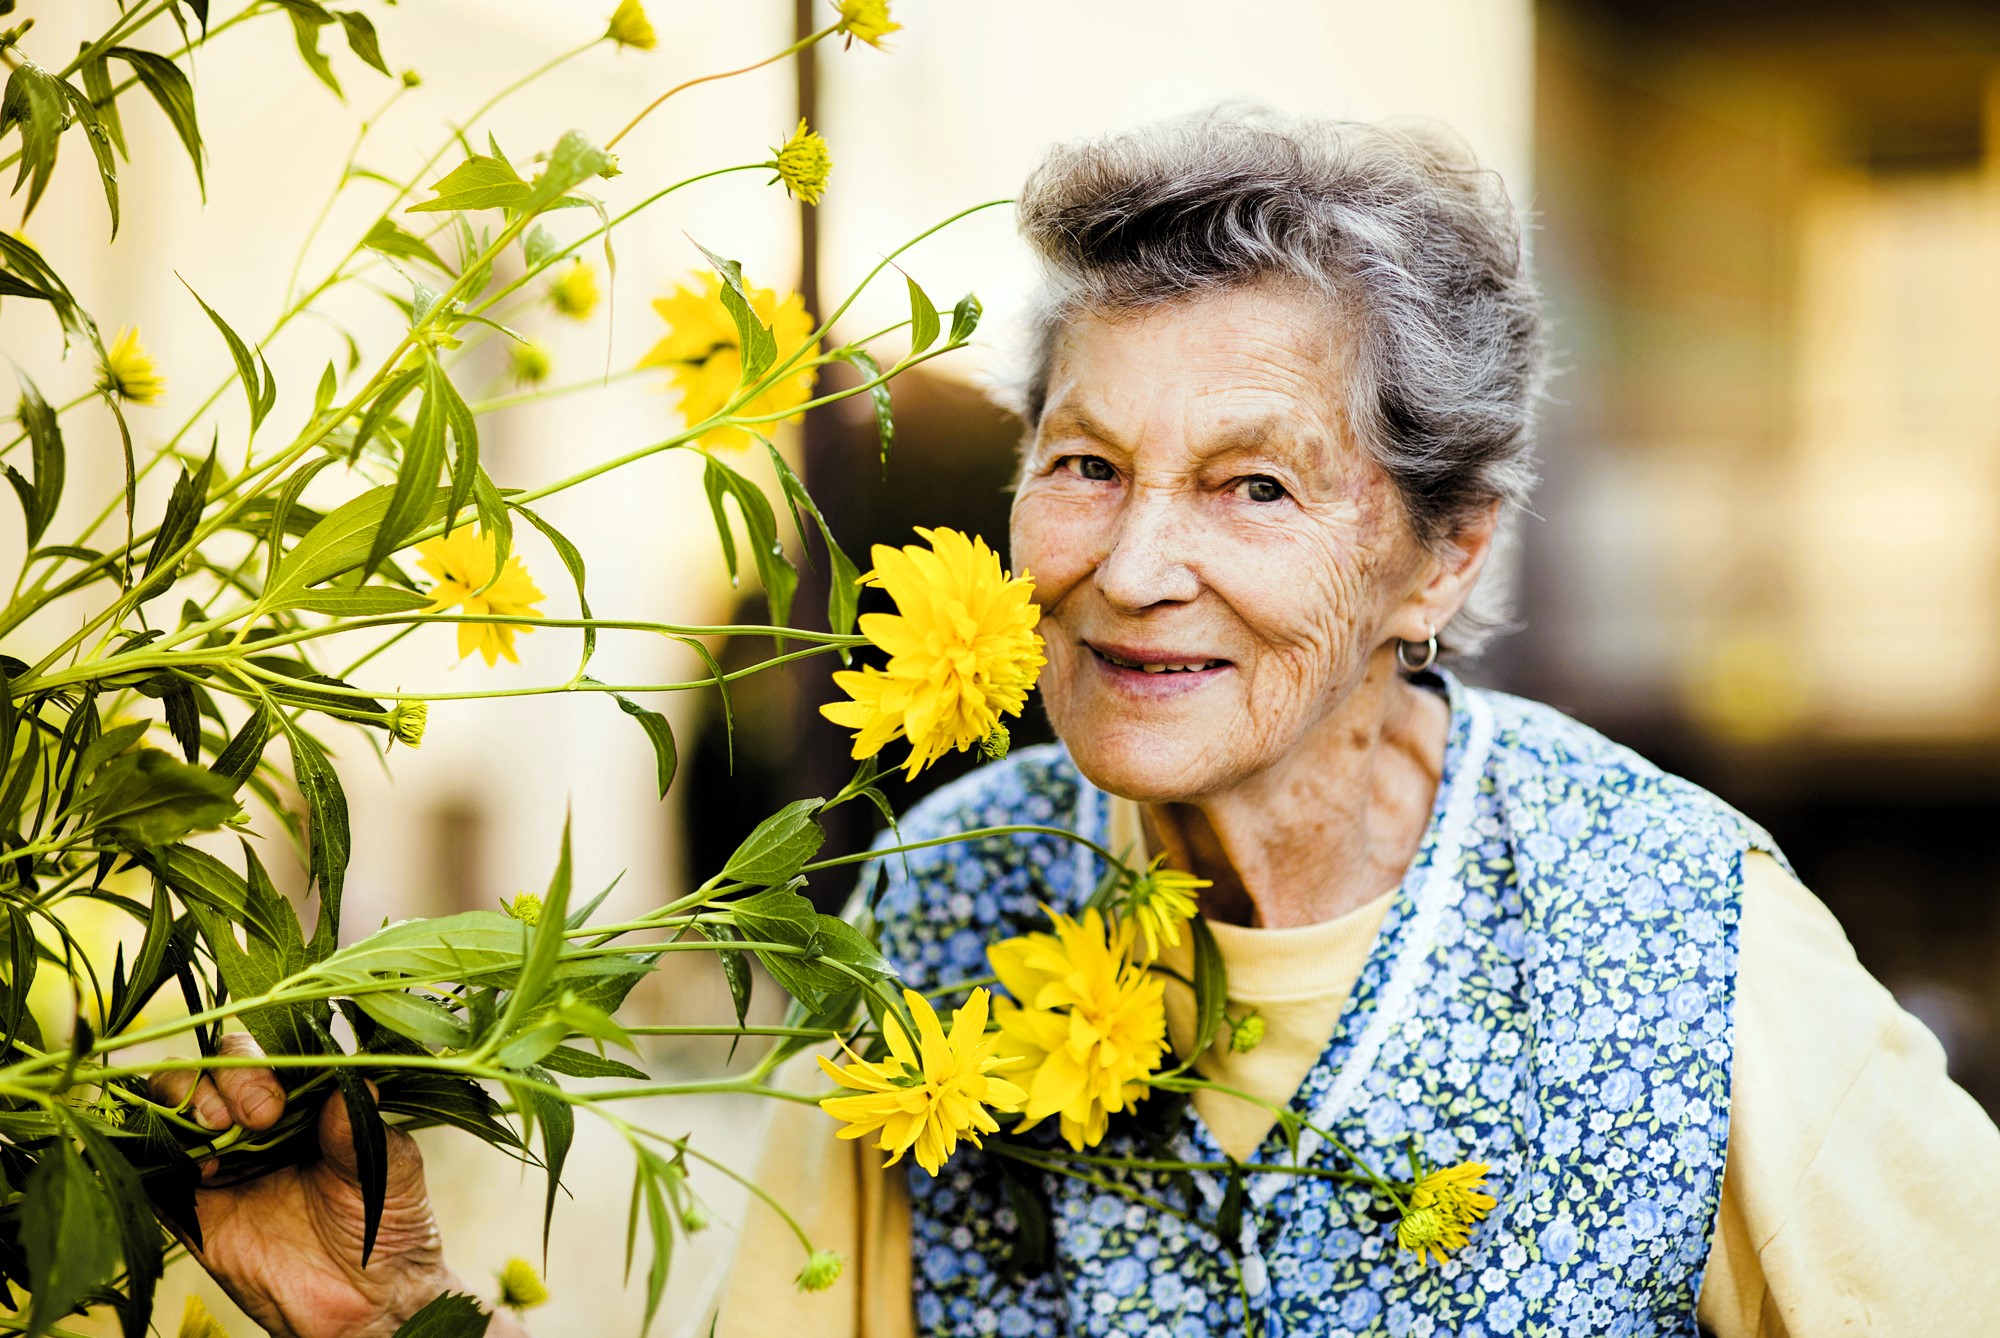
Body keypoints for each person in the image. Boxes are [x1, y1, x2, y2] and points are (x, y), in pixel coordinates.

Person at [171, 107, 2000, 1336]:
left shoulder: (1687, 931)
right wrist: (384, 1308)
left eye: (1254, 489)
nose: (1133, 565)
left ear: (1443, 557)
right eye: (1087, 466)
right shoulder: (937, 903)